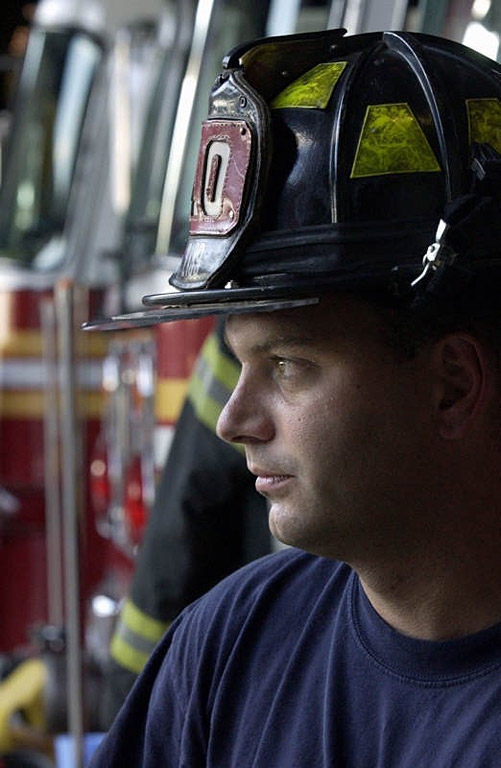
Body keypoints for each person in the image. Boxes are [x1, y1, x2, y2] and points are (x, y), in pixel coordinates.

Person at [89, 27, 501, 766]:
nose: (232, 420)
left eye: (286, 365)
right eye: (240, 361)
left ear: (452, 387)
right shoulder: (224, 647)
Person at [102, 321, 270, 724]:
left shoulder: (259, 293)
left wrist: (128, 685)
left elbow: (184, 514)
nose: (233, 422)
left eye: (289, 365)